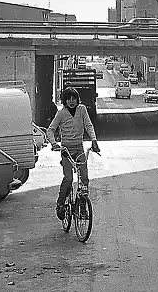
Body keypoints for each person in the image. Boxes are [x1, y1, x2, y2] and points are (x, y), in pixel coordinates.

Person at [46, 87, 100, 221]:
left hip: (79, 149)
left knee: (84, 178)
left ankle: (82, 207)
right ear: (64, 100)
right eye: (68, 99)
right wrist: (54, 143)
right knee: (69, 178)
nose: (71, 101)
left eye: (73, 98)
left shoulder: (82, 110)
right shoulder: (61, 113)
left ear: (77, 99)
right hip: (66, 151)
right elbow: (50, 130)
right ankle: (60, 203)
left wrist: (93, 140)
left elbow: (88, 125)